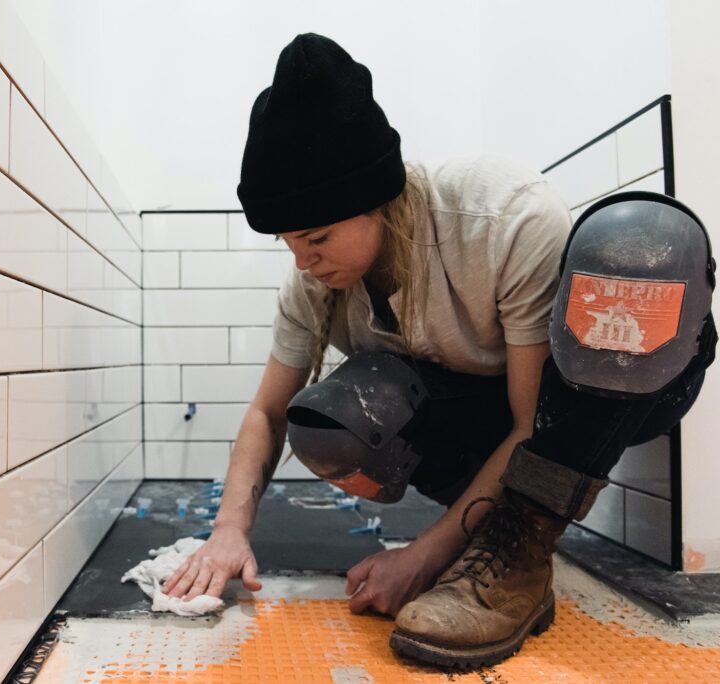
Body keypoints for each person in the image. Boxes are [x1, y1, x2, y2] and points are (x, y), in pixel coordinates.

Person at [162, 33, 716, 669]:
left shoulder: (498, 215)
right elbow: (268, 413)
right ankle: (489, 537)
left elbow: (531, 424)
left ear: (376, 201)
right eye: (290, 243)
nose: (304, 262)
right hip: (496, 422)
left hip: (604, 399)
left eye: (316, 238)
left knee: (641, 245)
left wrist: (422, 555)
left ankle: (515, 554)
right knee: (336, 415)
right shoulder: (314, 284)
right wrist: (229, 531)